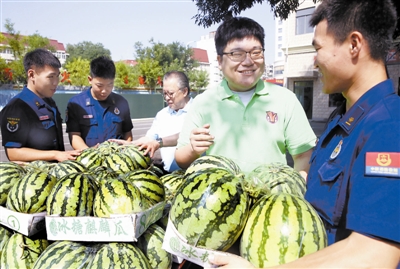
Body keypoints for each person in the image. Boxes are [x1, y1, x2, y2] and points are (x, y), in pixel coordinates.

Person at [206, 0, 400, 268]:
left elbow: (374, 254)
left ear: (354, 45)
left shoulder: (388, 128)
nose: (314, 60)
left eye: (318, 48)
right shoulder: (343, 121)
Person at [175, 17, 316, 177]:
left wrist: (293, 191)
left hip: (271, 199)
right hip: (222, 199)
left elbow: (304, 155)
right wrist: (193, 150)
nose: (248, 61)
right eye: (237, 54)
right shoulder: (204, 102)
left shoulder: (285, 99)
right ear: (220, 61)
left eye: (256, 53)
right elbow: (181, 158)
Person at [0, 48, 81, 162]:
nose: (56, 82)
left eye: (57, 76)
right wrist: (55, 155)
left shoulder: (49, 102)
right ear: (32, 74)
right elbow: (13, 153)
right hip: (34, 176)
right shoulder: (17, 108)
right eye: (50, 77)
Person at [110, 71, 192, 173]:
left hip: (194, 175)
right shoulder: (162, 115)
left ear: (184, 91)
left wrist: (159, 143)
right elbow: (150, 138)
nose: (167, 98)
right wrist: (131, 144)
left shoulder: (198, 110)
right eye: (164, 93)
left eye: (170, 93)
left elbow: (187, 135)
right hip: (169, 176)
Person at [66, 56, 133, 150]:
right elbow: (74, 135)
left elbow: (127, 133)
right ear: (90, 80)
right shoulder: (76, 103)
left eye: (110, 85)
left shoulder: (121, 102)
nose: (104, 91)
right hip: (89, 161)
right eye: (99, 85)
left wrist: (124, 152)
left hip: (117, 161)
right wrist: (90, 154)